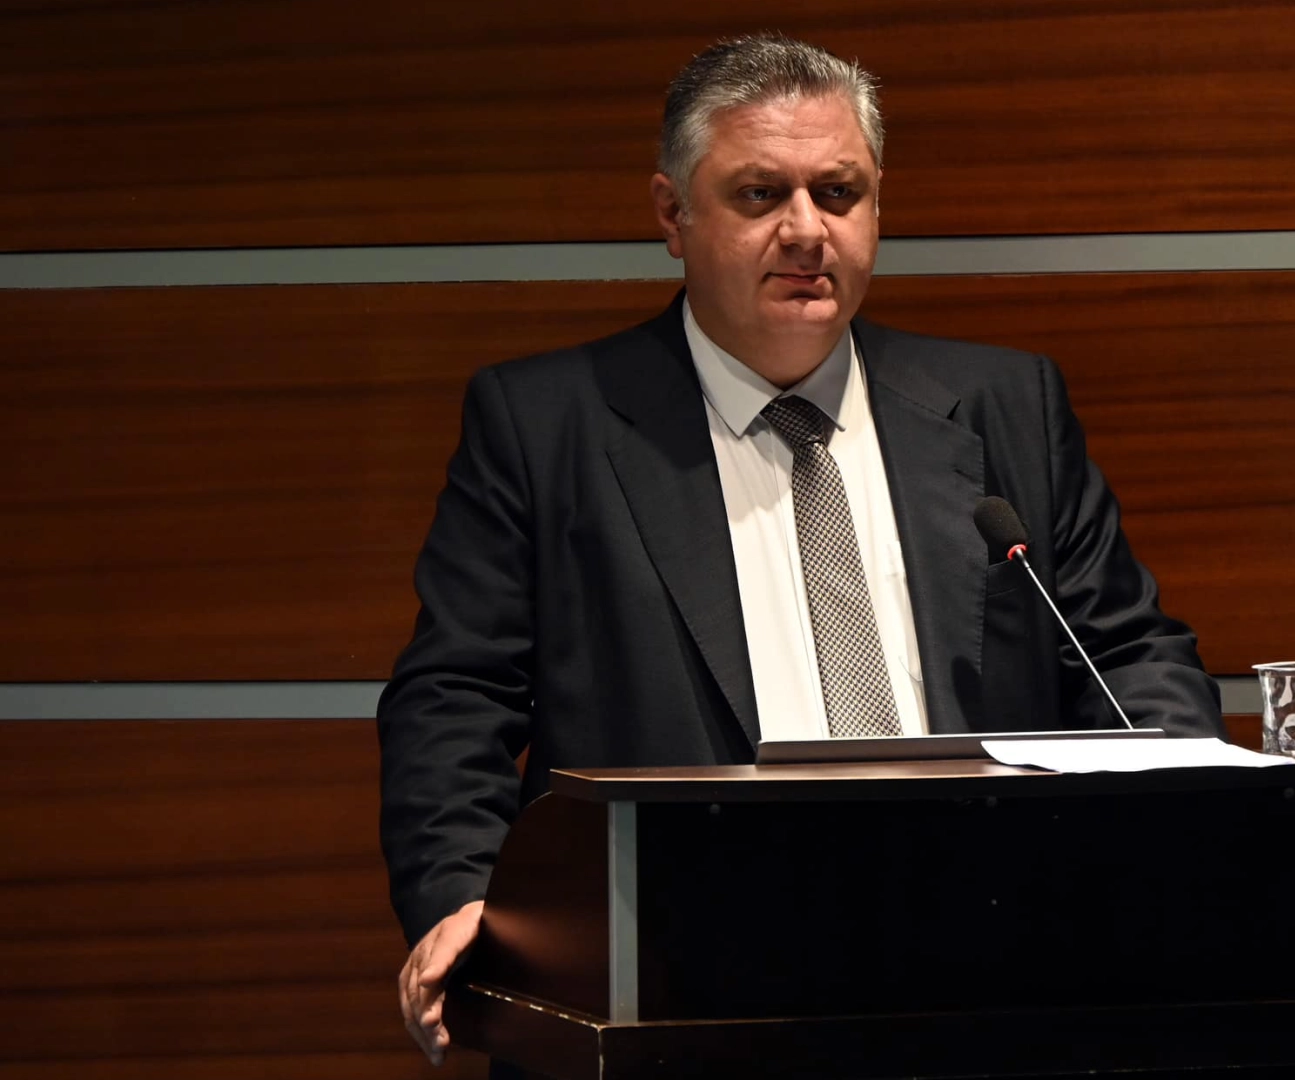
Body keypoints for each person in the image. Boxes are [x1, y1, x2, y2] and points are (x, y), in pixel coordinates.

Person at [379, 33, 1224, 1067]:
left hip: (984, 975)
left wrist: (1177, 843)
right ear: (671, 216)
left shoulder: (1005, 405)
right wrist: (464, 897)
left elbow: (1127, 654)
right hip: (670, 984)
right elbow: (455, 695)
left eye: (837, 192)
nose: (806, 230)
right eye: (758, 194)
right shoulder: (547, 424)